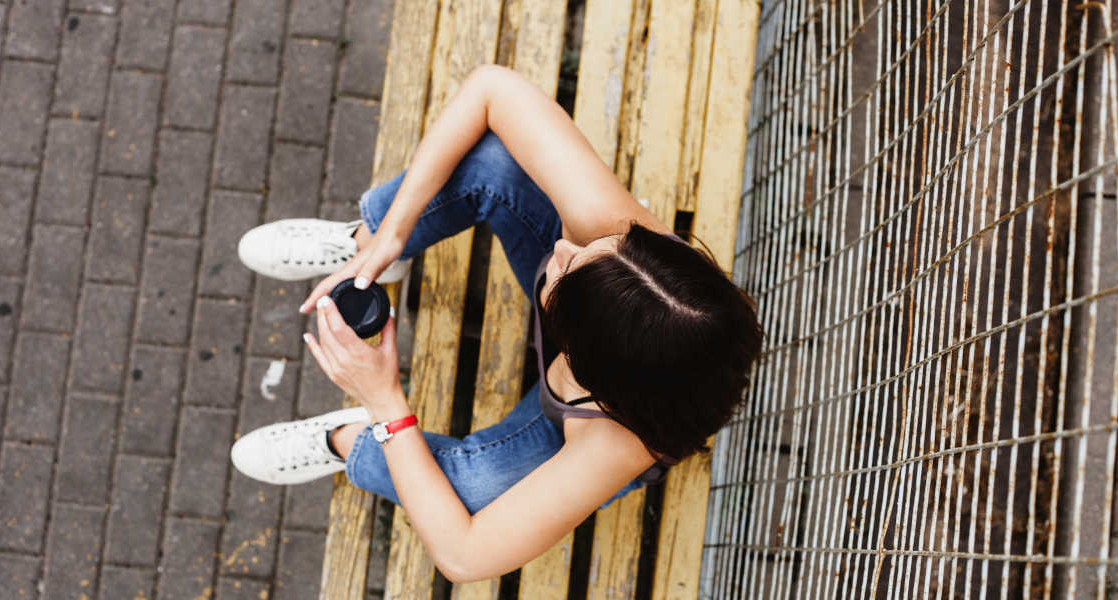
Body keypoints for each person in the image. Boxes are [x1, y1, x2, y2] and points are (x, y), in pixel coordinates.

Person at [230, 64, 762, 583]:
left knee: (464, 496)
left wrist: (384, 401)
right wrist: (394, 230)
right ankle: (369, 248)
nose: (559, 245)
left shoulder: (615, 445)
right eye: (591, 249)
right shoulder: (619, 242)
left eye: (563, 272)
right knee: (493, 166)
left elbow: (464, 557)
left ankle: (345, 441)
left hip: (578, 404)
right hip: (606, 333)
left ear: (579, 356)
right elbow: (493, 89)